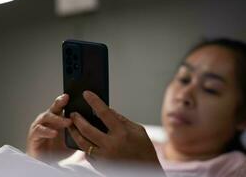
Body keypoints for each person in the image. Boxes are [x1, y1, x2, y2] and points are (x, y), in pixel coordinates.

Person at [26, 38, 246, 177]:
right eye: (183, 79)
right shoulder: (120, 145)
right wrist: (37, 164)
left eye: (210, 89)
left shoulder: (233, 169)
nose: (184, 96)